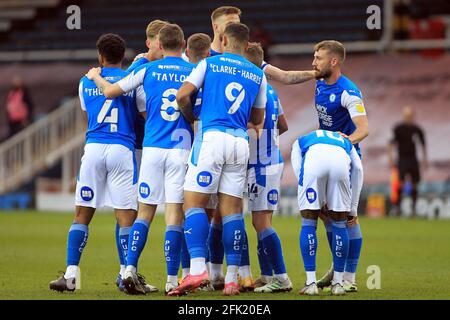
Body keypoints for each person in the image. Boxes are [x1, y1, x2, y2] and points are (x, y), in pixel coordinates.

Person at [87, 24, 196, 295]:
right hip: (181, 150)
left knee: (144, 212)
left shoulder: (146, 69)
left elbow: (111, 92)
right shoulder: (194, 71)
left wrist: (95, 77)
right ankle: (173, 280)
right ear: (182, 43)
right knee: (174, 216)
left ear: (159, 43)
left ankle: (129, 270)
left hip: (152, 150)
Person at [168, 22, 267, 297]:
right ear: (247, 46)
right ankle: (233, 279)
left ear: (222, 39)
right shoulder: (257, 74)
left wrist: (191, 116)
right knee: (233, 211)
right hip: (239, 142)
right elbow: (257, 119)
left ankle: (198, 268)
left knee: (193, 203)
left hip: (211, 137)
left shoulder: (209, 64)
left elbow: (182, 95)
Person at [49, 34, 140, 293]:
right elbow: (137, 114)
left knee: (82, 214)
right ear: (122, 56)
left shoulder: (85, 82)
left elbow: (90, 114)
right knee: (125, 217)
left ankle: (70, 275)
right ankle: (126, 275)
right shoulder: (132, 80)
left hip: (94, 148)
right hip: (122, 149)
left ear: (100, 55)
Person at [114, 19, 168, 293]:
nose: (163, 47)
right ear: (150, 43)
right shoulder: (143, 69)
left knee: (132, 212)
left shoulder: (145, 67)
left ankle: (126, 271)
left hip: (144, 146)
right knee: (132, 211)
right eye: (159, 42)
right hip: (139, 147)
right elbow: (147, 113)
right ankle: (125, 272)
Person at [311, 40, 369, 293]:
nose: (313, 62)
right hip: (327, 158)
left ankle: (349, 277)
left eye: (318, 58)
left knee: (348, 219)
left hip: (347, 162)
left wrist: (347, 140)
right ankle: (337, 268)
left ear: (333, 61)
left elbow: (363, 129)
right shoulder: (319, 84)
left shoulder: (349, 91)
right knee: (327, 214)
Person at [244, 42, 292, 293]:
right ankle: (266, 275)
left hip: (261, 165)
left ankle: (282, 278)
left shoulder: (252, 91)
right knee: (260, 221)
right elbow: (283, 125)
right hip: (270, 160)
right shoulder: (271, 90)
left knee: (262, 223)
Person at [291, 130, 363, 295]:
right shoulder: (344, 140)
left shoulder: (302, 139)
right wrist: (353, 208)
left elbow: (298, 165)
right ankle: (338, 283)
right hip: (340, 166)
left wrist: (308, 188)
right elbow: (357, 169)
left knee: (309, 223)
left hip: (313, 166)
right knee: (340, 223)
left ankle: (311, 283)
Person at [388, 106, 427, 216]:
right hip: (402, 159)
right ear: (404, 116)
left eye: (410, 116)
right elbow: (391, 143)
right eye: (406, 116)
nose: (408, 118)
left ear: (413, 116)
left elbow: (423, 144)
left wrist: (424, 159)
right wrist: (390, 158)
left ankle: (414, 207)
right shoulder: (398, 128)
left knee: (415, 183)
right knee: (400, 183)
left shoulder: (417, 129)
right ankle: (398, 207)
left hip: (413, 159)